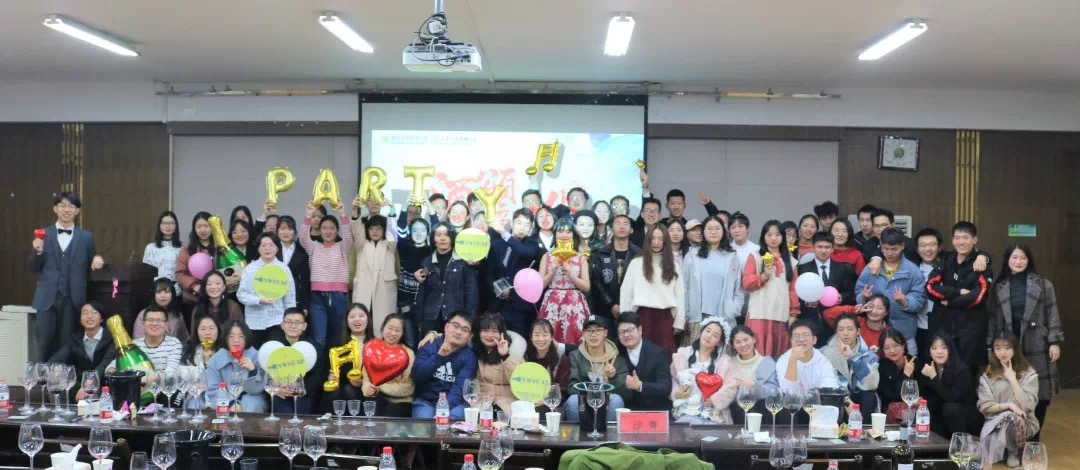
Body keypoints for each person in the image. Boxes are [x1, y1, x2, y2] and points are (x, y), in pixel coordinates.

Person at [987, 242, 1062, 441]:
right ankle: (1014, 439)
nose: (1018, 261)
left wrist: (1054, 341)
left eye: (1023, 258)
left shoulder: (1043, 284)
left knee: (1040, 394)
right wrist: (990, 344)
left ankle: (1033, 439)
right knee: (1010, 391)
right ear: (1007, 260)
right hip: (1008, 345)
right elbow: (993, 319)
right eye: (1014, 257)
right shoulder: (1000, 286)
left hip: (1038, 343)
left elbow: (1052, 312)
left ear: (1029, 260)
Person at [28, 192, 105, 361]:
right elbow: (33, 267)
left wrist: (98, 258)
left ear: (77, 211)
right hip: (47, 299)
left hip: (73, 299)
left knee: (68, 345)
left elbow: (93, 259)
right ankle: (42, 376)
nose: (67, 210)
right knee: (44, 344)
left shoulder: (86, 237)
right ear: (55, 209)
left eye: (71, 206)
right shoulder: (43, 234)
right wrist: (38, 251)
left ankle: (62, 377)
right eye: (62, 205)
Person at [926, 221, 993, 369]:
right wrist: (958, 292)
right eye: (957, 238)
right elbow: (930, 288)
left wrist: (949, 302)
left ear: (974, 240)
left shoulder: (981, 264)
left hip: (971, 330)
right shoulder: (946, 260)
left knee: (968, 372)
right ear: (952, 240)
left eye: (965, 237)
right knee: (942, 370)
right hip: (944, 326)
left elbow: (978, 297)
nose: (960, 242)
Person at [855, 228, 926, 354]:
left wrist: (904, 301)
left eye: (894, 249)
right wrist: (863, 297)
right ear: (881, 246)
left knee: (908, 363)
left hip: (904, 333)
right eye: (886, 249)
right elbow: (859, 291)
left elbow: (920, 299)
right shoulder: (871, 268)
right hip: (874, 331)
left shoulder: (912, 270)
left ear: (902, 246)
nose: (890, 253)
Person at [620, 224, 684, 355]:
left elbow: (680, 295)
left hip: (665, 318)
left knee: (663, 355)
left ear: (665, 242)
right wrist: (625, 320)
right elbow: (626, 293)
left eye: (660, 239)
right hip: (641, 317)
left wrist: (679, 321)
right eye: (653, 238)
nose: (656, 242)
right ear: (648, 240)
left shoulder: (673, 265)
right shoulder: (636, 263)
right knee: (640, 354)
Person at [977, 332, 1040, 467]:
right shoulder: (988, 374)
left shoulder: (1029, 373)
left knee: (1013, 418)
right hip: (994, 420)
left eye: (1007, 347)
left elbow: (1028, 406)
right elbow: (985, 406)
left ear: (1015, 349)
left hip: (1023, 422)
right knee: (1007, 415)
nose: (1002, 352)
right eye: (998, 348)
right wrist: (1008, 406)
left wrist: (1012, 379)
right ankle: (999, 450)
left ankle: (1013, 451)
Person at [742, 220, 800, 360]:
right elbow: (746, 283)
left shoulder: (791, 261)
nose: (773, 238)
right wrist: (764, 276)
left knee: (779, 354)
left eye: (777, 234)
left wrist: (794, 314)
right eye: (769, 235)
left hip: (781, 314)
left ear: (783, 237)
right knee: (756, 354)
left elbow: (793, 290)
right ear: (763, 237)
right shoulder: (755, 256)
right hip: (759, 313)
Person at [682, 216, 744, 345]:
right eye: (709, 229)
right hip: (698, 317)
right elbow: (684, 286)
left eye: (717, 228)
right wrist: (686, 313)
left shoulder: (732, 257)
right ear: (703, 232)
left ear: (723, 231)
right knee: (696, 353)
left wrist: (733, 310)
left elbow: (738, 289)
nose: (713, 232)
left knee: (720, 355)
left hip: (724, 317)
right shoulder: (692, 255)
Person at [299, 201, 353, 346]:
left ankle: (333, 362)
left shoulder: (343, 246)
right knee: (319, 339)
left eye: (332, 228)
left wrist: (343, 214)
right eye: (324, 228)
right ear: (320, 230)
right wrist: (308, 216)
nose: (328, 232)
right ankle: (319, 362)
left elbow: (349, 237)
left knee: (337, 338)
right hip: (317, 297)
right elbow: (303, 238)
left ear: (337, 230)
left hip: (339, 297)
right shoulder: (313, 246)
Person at [415, 222, 478, 338]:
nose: (443, 238)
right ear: (433, 239)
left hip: (455, 317)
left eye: (446, 235)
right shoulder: (427, 262)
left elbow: (471, 293)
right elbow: (422, 294)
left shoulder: (464, 262)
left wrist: (469, 319)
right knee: (429, 347)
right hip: (430, 317)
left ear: (452, 238)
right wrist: (419, 319)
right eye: (438, 235)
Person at [411, 311, 477, 420]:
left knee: (452, 422)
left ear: (469, 336)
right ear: (446, 327)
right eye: (455, 326)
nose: (458, 332)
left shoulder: (469, 357)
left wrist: (443, 410)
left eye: (464, 330)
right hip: (426, 402)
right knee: (424, 425)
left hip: (455, 404)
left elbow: (459, 389)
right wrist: (438, 357)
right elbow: (417, 376)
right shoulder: (429, 345)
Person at [670, 318, 736, 424]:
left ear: (719, 342)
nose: (709, 336)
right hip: (686, 409)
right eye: (707, 331)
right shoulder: (682, 355)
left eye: (715, 335)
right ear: (701, 332)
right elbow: (672, 379)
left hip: (713, 413)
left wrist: (714, 400)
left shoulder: (724, 362)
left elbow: (730, 386)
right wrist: (677, 393)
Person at [797, 232, 857, 347]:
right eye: (820, 247)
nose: (823, 251)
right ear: (813, 247)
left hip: (835, 320)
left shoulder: (843, 268)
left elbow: (851, 292)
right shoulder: (802, 269)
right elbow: (796, 294)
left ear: (832, 248)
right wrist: (807, 303)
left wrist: (842, 297)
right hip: (811, 319)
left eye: (827, 247)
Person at [237, 232, 297, 347]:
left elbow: (290, 298)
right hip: (254, 321)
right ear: (258, 248)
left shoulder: (283, 269)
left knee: (275, 352)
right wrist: (258, 300)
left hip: (277, 320)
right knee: (254, 354)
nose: (267, 248)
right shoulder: (250, 269)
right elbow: (241, 295)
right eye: (263, 245)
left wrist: (290, 321)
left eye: (271, 245)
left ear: (277, 248)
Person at [538, 218, 591, 345]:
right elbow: (539, 286)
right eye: (560, 231)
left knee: (575, 339)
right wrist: (552, 271)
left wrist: (571, 274)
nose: (564, 235)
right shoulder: (547, 256)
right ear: (555, 234)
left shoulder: (581, 257)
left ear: (573, 234)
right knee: (549, 339)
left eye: (568, 232)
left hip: (574, 303)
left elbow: (586, 287)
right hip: (552, 302)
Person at [566, 316, 629, 422]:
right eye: (589, 331)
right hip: (584, 397)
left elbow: (626, 392)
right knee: (572, 401)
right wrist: (590, 392)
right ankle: (578, 432)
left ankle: (609, 432)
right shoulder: (575, 356)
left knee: (616, 400)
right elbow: (572, 386)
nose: (593, 334)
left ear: (605, 333)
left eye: (598, 330)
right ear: (583, 334)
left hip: (608, 398)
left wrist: (613, 377)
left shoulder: (616, 356)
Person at [49, 302, 116, 400]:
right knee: (55, 382)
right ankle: (60, 409)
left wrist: (90, 382)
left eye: (94, 313)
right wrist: (55, 367)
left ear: (101, 318)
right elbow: (60, 356)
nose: (89, 316)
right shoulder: (76, 337)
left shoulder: (112, 337)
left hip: (104, 383)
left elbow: (106, 362)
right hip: (81, 383)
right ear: (80, 320)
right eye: (85, 313)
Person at [350, 204, 400, 335]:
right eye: (371, 228)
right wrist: (354, 210)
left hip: (384, 291)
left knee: (384, 325)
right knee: (361, 324)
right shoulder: (362, 244)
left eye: (378, 228)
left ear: (384, 229)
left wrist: (392, 210)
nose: (375, 231)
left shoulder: (390, 245)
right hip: (364, 290)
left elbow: (392, 233)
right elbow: (356, 229)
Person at [918, 332, 980, 438]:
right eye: (934, 348)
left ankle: (960, 444)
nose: (939, 352)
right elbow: (928, 395)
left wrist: (933, 376)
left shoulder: (962, 369)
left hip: (965, 415)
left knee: (950, 408)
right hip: (943, 415)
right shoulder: (928, 368)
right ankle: (934, 444)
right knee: (926, 407)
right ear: (929, 351)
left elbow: (951, 397)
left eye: (944, 347)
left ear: (950, 350)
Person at [493, 209, 543, 337]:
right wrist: (497, 290)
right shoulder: (496, 244)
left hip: (520, 305)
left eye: (527, 225)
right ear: (512, 223)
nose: (522, 228)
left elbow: (522, 252)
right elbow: (488, 273)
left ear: (531, 228)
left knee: (519, 341)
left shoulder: (532, 245)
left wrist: (504, 233)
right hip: (497, 303)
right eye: (519, 223)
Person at [266, 308, 325, 415]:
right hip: (280, 391)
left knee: (302, 406)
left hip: (304, 392)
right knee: (282, 408)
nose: (293, 326)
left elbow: (318, 376)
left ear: (304, 326)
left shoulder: (314, 348)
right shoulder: (272, 346)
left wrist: (302, 389)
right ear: (282, 325)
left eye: (298, 323)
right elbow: (266, 373)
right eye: (289, 322)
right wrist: (275, 388)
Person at [589, 214, 639, 338]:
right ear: (611, 229)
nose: (622, 226)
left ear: (631, 230)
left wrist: (627, 305)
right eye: (618, 223)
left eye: (626, 224)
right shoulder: (601, 253)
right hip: (605, 310)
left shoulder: (638, 254)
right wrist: (611, 304)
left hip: (632, 309)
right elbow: (596, 282)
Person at [821, 313, 880, 414]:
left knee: (869, 396)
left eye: (850, 329)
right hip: (835, 395)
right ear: (836, 333)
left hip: (859, 396)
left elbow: (871, 385)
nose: (845, 333)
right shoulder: (824, 353)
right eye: (841, 329)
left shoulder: (870, 356)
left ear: (858, 331)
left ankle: (864, 424)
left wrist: (853, 358)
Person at [320, 303, 375, 409]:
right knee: (341, 390)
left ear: (368, 319)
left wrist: (363, 382)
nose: (357, 319)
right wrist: (331, 378)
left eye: (361, 316)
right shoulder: (336, 345)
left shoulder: (376, 344)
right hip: (344, 391)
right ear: (347, 321)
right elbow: (325, 373)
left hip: (368, 391)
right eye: (352, 316)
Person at [206, 320, 268, 413]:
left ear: (247, 338)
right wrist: (230, 403)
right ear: (225, 338)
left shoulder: (257, 357)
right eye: (231, 336)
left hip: (252, 397)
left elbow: (257, 390)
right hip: (225, 398)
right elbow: (213, 389)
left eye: (241, 336)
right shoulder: (215, 360)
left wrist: (253, 371)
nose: (236, 340)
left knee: (251, 406)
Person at [360, 313, 414, 417]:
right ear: (383, 327)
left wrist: (379, 386)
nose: (393, 333)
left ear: (402, 333)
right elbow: (366, 379)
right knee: (371, 414)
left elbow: (408, 387)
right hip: (377, 397)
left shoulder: (408, 353)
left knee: (387, 419)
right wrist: (368, 389)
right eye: (390, 328)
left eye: (397, 330)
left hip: (400, 401)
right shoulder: (372, 348)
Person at [615, 312, 672, 411]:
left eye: (630, 330)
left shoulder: (657, 353)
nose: (626, 335)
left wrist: (640, 386)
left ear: (640, 330)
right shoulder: (617, 352)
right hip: (627, 409)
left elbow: (666, 387)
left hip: (655, 409)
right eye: (622, 332)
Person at [107, 306, 183, 375]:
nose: (154, 323)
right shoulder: (135, 344)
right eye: (150, 320)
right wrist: (112, 370)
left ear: (166, 325)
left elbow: (171, 372)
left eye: (159, 320)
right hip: (136, 385)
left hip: (164, 386)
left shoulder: (174, 344)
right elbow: (112, 365)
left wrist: (149, 379)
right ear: (143, 324)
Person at [472, 313, 524, 412]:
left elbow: (520, 381)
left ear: (502, 333)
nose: (489, 335)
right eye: (485, 330)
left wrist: (505, 356)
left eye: (494, 331)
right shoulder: (473, 350)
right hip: (481, 402)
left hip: (507, 403)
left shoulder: (515, 351)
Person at [728, 325, 779, 422]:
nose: (743, 344)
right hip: (737, 411)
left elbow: (774, 392)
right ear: (733, 345)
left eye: (746, 339)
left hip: (762, 412)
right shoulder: (729, 364)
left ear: (754, 339)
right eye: (738, 342)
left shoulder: (766, 362)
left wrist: (754, 386)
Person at [776, 320, 839, 395]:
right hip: (793, 402)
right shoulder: (783, 360)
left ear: (814, 340)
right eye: (796, 336)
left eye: (805, 335)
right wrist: (792, 360)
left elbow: (830, 388)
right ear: (791, 341)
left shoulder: (823, 361)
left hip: (818, 401)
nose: (801, 339)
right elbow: (787, 392)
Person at [524, 319, 571, 406]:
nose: (541, 339)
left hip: (552, 404)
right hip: (527, 401)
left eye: (545, 335)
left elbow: (562, 390)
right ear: (531, 337)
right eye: (536, 335)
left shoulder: (561, 359)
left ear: (552, 337)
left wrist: (544, 401)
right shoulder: (525, 358)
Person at [178, 315, 220, 409]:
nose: (207, 332)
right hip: (195, 395)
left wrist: (211, 364)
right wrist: (205, 364)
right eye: (203, 329)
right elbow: (183, 377)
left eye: (211, 328)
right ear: (197, 332)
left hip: (220, 394)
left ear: (218, 331)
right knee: (194, 406)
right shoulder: (189, 352)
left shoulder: (224, 352)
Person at [876, 329, 917, 423]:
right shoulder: (881, 367)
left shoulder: (915, 363)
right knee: (900, 410)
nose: (892, 350)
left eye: (895, 345)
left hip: (916, 407)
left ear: (903, 345)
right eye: (887, 348)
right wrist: (905, 375)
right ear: (883, 350)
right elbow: (891, 396)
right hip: (892, 409)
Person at [175, 211, 215, 308]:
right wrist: (194, 286)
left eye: (206, 226)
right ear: (194, 228)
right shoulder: (188, 248)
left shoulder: (220, 247)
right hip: (192, 299)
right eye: (198, 226)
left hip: (216, 298)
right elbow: (179, 274)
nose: (202, 230)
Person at [277, 216, 310, 313]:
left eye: (290, 229)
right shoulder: (271, 248)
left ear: (295, 231)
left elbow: (305, 280)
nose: (286, 232)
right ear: (277, 231)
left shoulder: (301, 251)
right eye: (282, 228)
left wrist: (305, 305)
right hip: (273, 296)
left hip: (294, 297)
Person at [142, 210, 183, 288]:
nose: (167, 226)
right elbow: (145, 272)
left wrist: (175, 290)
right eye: (164, 223)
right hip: (155, 288)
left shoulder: (182, 249)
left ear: (176, 226)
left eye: (171, 223)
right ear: (159, 225)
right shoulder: (150, 248)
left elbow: (184, 273)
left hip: (175, 288)